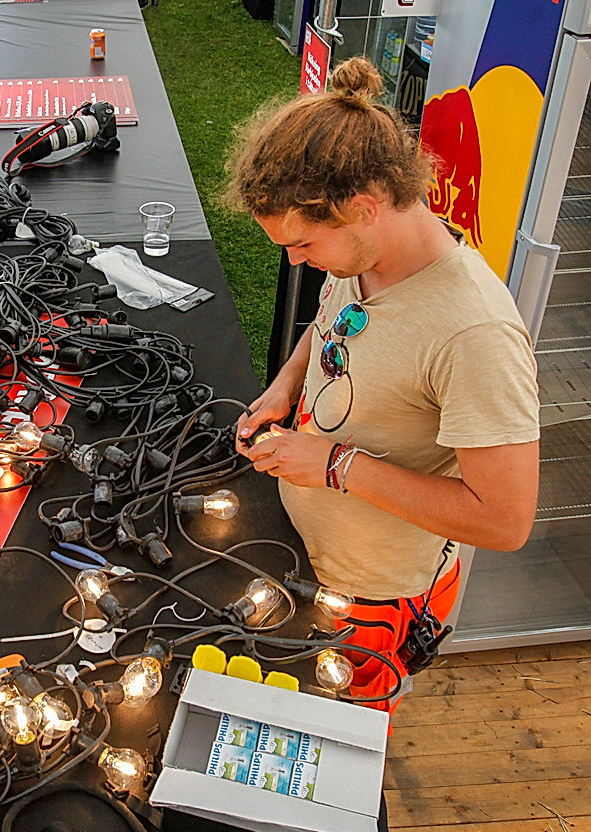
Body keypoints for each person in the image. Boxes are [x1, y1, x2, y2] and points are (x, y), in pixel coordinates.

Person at [225, 57, 539, 712]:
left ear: (364, 208)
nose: (294, 259)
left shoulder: (475, 335)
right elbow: (331, 322)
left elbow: (505, 521)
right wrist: (285, 384)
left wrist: (337, 466)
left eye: (304, 244)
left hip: (370, 600)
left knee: (328, 745)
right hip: (306, 550)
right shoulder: (366, 255)